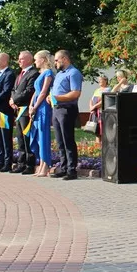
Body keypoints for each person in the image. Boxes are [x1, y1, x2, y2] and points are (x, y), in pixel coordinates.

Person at [50, 50, 83, 180]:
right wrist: (51, 98)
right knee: (60, 141)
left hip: (67, 109)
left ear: (64, 59)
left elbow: (75, 93)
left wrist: (57, 98)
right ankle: (63, 168)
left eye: (56, 60)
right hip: (57, 109)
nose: (55, 63)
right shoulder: (59, 74)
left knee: (68, 139)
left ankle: (71, 170)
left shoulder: (73, 73)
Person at [10, 51, 39, 174]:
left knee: (27, 138)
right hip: (18, 110)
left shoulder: (33, 73)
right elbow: (14, 89)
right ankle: (21, 163)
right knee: (20, 138)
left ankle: (29, 164)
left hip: (26, 110)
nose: (19, 61)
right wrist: (12, 100)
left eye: (21, 59)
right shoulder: (20, 74)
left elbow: (29, 91)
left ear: (28, 60)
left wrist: (15, 99)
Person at [29, 50, 55, 176]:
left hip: (43, 107)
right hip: (36, 106)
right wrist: (31, 105)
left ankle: (45, 166)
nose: (35, 62)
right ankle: (40, 164)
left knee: (43, 135)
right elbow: (36, 91)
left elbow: (44, 92)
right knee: (38, 136)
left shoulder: (48, 73)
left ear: (43, 59)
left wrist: (35, 106)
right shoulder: (40, 73)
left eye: (36, 59)